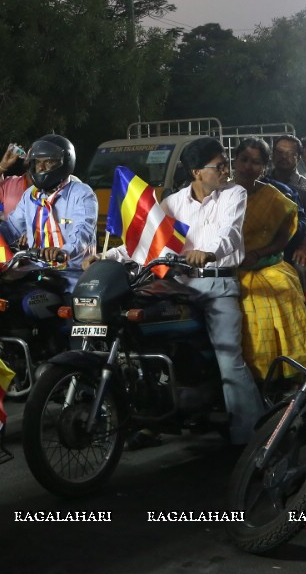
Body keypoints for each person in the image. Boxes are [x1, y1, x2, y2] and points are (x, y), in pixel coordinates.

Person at [90, 137, 265, 445]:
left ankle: (251, 439)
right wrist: (104, 258)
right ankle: (152, 419)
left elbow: (230, 233)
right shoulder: (172, 203)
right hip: (178, 284)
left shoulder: (233, 193)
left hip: (217, 285)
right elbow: (145, 243)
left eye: (226, 165)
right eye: (219, 166)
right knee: (144, 338)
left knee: (229, 358)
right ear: (196, 171)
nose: (227, 170)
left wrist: (208, 252)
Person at [231, 138, 306, 381]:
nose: (248, 167)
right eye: (244, 160)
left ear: (263, 166)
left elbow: (290, 230)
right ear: (235, 161)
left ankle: (290, 371)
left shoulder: (273, 194)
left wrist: (260, 254)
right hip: (230, 270)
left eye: (256, 162)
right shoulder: (220, 194)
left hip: (267, 264)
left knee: (283, 288)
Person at [0, 135, 97, 291]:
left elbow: (83, 232)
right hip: (37, 273)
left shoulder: (81, 193)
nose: (41, 168)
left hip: (72, 276)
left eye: (49, 162)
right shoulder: (31, 196)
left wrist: (63, 251)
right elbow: (10, 228)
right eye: (37, 163)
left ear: (65, 162)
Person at [267, 134, 306, 271]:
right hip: (265, 247)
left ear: (298, 157)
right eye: (279, 152)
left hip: (296, 247)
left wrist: (305, 246)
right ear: (272, 155)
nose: (284, 157)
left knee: (301, 266)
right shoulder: (263, 183)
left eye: (290, 153)